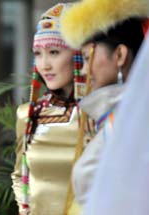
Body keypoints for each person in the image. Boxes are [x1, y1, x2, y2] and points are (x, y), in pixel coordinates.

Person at [59, 0, 148, 211]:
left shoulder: (132, 123)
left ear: (119, 55)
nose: (81, 72)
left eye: (88, 58)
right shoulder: (121, 118)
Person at [11, 3, 85, 215]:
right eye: (38, 54)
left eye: (54, 52)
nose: (44, 65)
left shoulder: (98, 114)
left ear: (78, 54)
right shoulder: (28, 115)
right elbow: (19, 176)